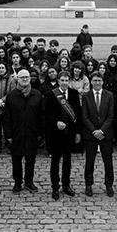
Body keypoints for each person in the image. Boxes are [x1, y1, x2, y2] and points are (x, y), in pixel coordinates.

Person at [44, 71, 82, 200]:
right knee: (55, 161)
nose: (64, 82)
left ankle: (66, 185)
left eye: (67, 80)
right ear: (59, 81)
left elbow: (78, 114)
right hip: (55, 134)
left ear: (69, 81)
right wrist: (56, 122)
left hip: (69, 134)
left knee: (67, 161)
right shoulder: (51, 94)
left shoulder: (74, 94)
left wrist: (77, 132)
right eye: (62, 80)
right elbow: (46, 114)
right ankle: (55, 187)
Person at [5, 69, 43, 193]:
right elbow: (7, 117)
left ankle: (29, 181)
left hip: (32, 133)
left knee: (30, 159)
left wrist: (40, 133)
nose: (25, 79)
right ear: (18, 79)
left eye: (27, 77)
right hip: (17, 133)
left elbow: (41, 116)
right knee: (16, 159)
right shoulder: (11, 96)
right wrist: (8, 134)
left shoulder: (37, 94)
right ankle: (17, 182)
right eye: (22, 77)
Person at [81, 72, 115, 197]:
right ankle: (89, 185)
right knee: (90, 161)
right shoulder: (86, 96)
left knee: (108, 161)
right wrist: (94, 131)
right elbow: (84, 117)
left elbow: (111, 116)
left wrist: (102, 131)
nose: (97, 83)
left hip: (106, 134)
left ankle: (109, 184)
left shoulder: (109, 95)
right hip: (91, 134)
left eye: (99, 80)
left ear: (103, 82)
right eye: (94, 80)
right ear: (91, 82)